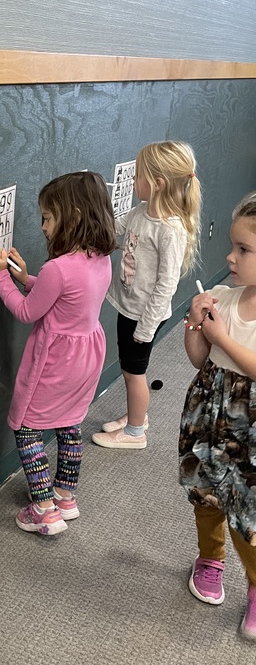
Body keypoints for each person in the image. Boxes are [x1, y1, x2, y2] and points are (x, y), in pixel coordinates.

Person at [0, 171, 117, 535]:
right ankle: (65, 496)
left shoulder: (58, 268)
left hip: (55, 361)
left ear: (72, 216)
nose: (43, 227)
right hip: (88, 355)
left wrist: (0, 277)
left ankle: (43, 508)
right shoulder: (101, 258)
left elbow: (29, 311)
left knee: (27, 427)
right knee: (69, 422)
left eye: (47, 217)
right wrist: (27, 277)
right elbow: (64, 297)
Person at [179, 191, 256, 640]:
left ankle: (254, 584)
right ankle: (210, 559)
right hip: (208, 412)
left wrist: (222, 338)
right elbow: (196, 358)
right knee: (206, 494)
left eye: (244, 250)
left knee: (247, 507)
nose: (230, 255)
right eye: (233, 245)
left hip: (249, 424)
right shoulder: (223, 297)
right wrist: (195, 325)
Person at [93, 141, 201, 449]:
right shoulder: (142, 212)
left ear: (157, 184)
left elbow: (166, 286)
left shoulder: (170, 229)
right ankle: (135, 416)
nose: (133, 181)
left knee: (133, 373)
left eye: (138, 175)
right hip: (130, 306)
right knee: (132, 370)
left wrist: (146, 327)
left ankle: (135, 433)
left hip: (143, 316)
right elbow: (114, 230)